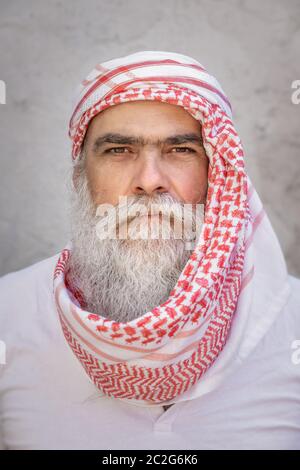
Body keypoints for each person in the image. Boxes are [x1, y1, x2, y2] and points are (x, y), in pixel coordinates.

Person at [0, 50, 299, 450]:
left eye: (181, 151)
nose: (149, 181)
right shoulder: (8, 316)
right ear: (80, 178)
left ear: (219, 175)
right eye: (118, 151)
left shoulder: (290, 325)